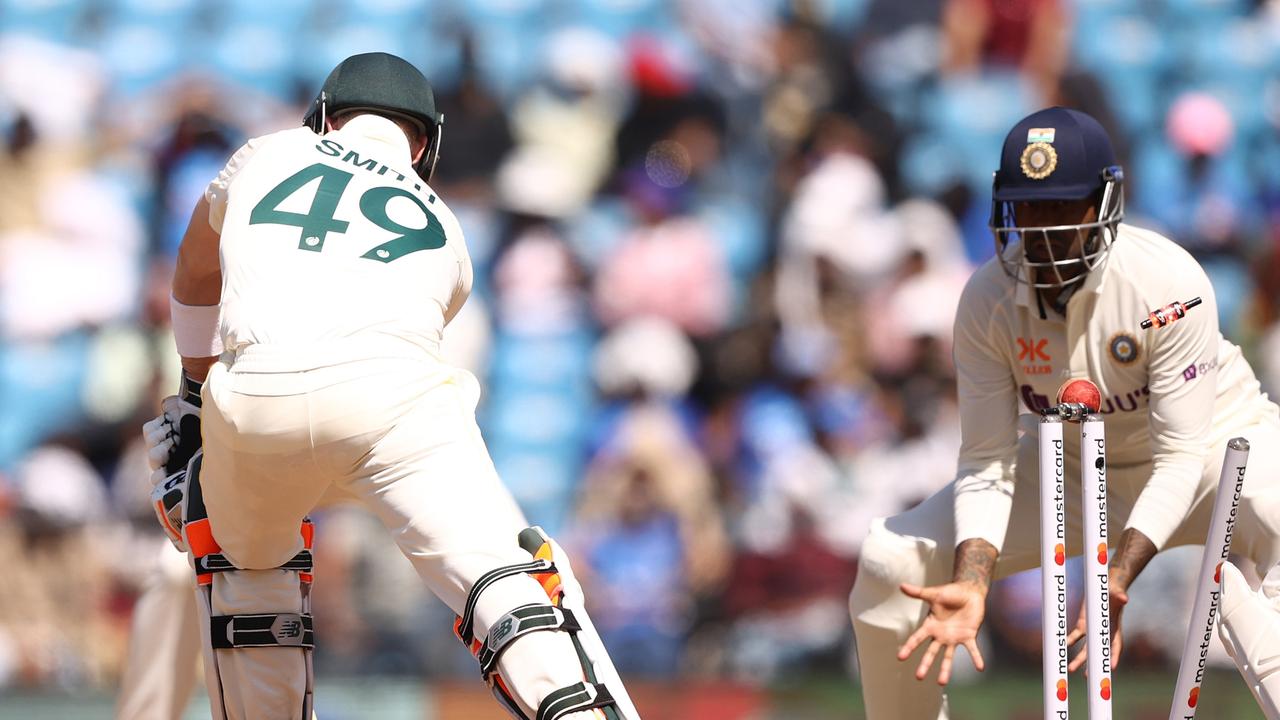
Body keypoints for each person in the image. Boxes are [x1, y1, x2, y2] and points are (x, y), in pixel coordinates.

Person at [141, 51, 639, 720]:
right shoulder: (446, 226)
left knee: (245, 568)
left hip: (256, 400)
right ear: (426, 143)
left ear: (323, 119)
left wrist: (194, 399)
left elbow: (195, 270)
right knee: (501, 576)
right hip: (394, 405)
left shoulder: (266, 154)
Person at [848, 106, 1280, 718]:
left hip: (1212, 452)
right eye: (1029, 208)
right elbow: (986, 461)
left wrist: (1117, 575)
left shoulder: (1167, 285)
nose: (1043, 231)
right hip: (1073, 467)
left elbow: (1180, 453)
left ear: (1103, 203)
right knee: (890, 560)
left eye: (1061, 207)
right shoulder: (986, 302)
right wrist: (971, 580)